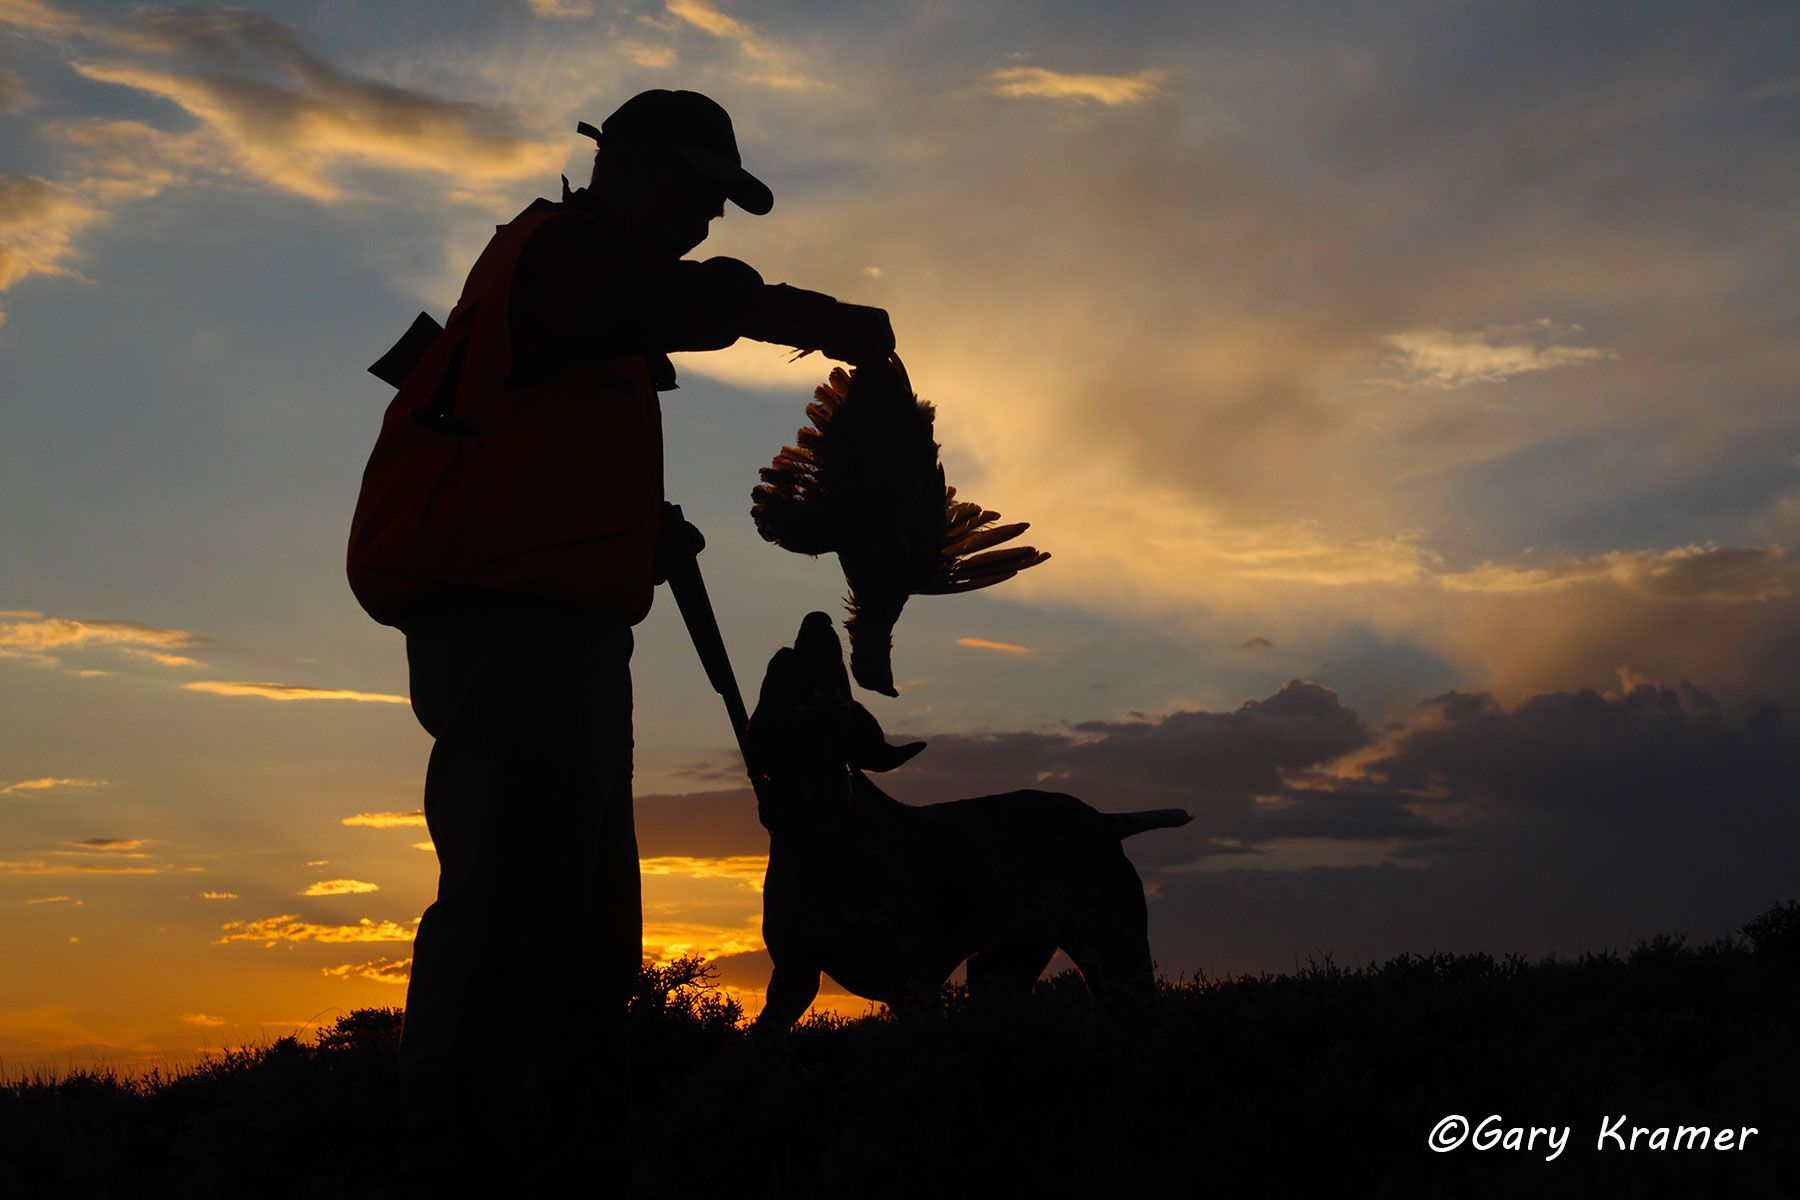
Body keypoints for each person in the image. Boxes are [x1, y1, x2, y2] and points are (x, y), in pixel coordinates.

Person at [346, 89, 894, 1190]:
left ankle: (569, 1150)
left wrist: (636, 531)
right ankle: (455, 1157)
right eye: (691, 191)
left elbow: (534, 457)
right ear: (625, 163)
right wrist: (813, 318)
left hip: (566, 639)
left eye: (716, 206)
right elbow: (672, 302)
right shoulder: (562, 258)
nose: (701, 219)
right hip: (512, 638)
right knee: (509, 914)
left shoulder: (588, 293)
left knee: (586, 930)